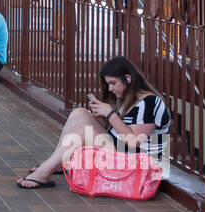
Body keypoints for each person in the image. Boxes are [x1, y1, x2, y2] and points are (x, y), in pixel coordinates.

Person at [16, 56, 170, 189]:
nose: (110, 88)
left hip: (142, 162)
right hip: (122, 150)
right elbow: (114, 130)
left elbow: (134, 141)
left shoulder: (150, 102)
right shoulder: (126, 98)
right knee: (79, 113)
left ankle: (44, 173)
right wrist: (101, 116)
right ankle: (56, 162)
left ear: (128, 79)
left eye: (113, 83)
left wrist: (109, 114)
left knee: (83, 131)